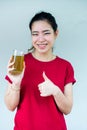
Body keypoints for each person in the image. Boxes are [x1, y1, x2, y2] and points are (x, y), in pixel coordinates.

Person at [4, 11, 76, 130]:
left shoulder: (66, 66)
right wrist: (16, 84)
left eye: (46, 33)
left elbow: (67, 109)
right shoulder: (20, 62)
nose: (40, 39)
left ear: (56, 33)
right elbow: (10, 106)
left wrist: (56, 91)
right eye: (35, 34)